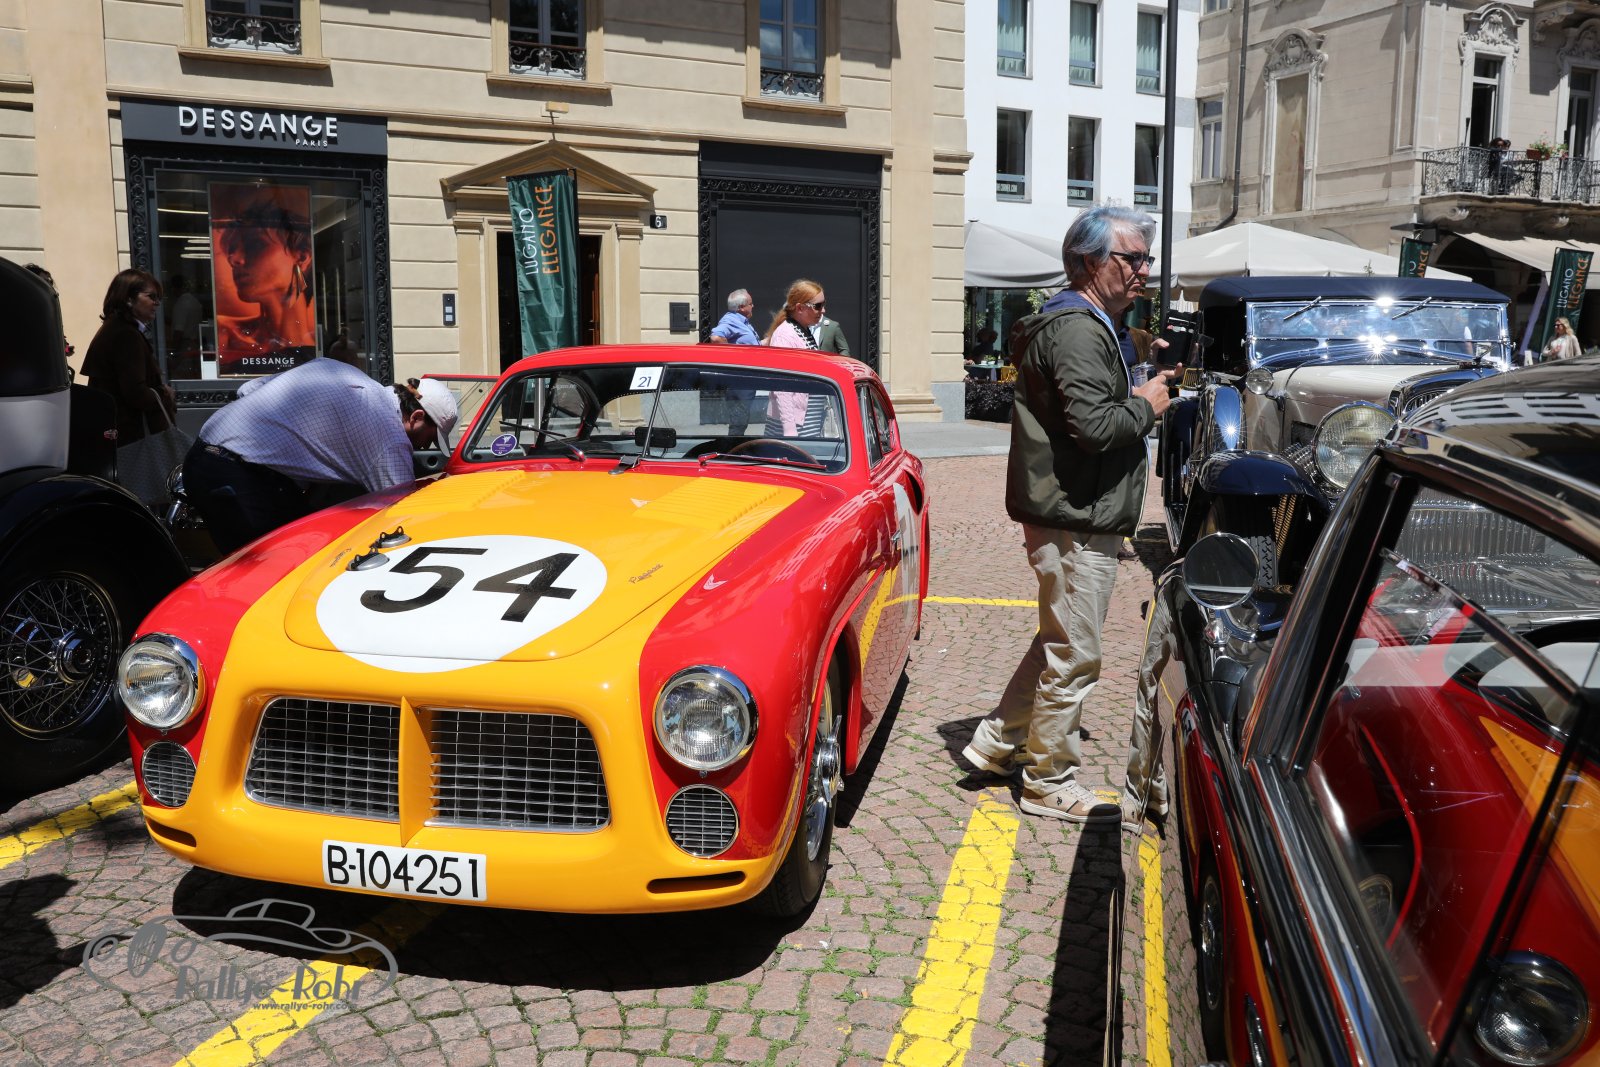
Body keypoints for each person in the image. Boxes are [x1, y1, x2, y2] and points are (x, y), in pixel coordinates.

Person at [960, 203, 1183, 823]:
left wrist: (1138, 385)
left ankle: (997, 742)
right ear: (1089, 262)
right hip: (1076, 512)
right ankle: (1048, 780)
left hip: (1072, 505)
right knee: (1076, 652)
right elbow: (1095, 426)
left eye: (1146, 258)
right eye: (1132, 258)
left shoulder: (1083, 323)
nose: (1143, 270)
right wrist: (1147, 404)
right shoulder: (1079, 329)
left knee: (1059, 638)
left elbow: (1085, 410)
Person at [183, 360, 458, 554]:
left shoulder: (344, 372)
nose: (425, 446)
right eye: (429, 437)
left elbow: (248, 389)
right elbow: (400, 517)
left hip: (202, 454)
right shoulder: (390, 437)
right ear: (417, 416)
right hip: (238, 476)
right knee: (278, 574)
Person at [214, 191, 317, 371]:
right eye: (232, 250)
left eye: (255, 244)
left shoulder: (318, 350)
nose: (235, 259)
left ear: (302, 256)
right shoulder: (224, 331)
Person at [81, 268, 176, 446]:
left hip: (120, 434)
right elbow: (135, 393)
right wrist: (165, 395)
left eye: (158, 298)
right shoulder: (126, 335)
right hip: (133, 438)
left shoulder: (115, 329)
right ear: (129, 299)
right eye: (151, 296)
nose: (156, 303)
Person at [763, 279, 836, 437]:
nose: (823, 310)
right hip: (794, 426)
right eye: (818, 306)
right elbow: (782, 386)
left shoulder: (802, 330)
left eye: (823, 304)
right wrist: (789, 430)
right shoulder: (785, 335)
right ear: (800, 308)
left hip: (807, 422)